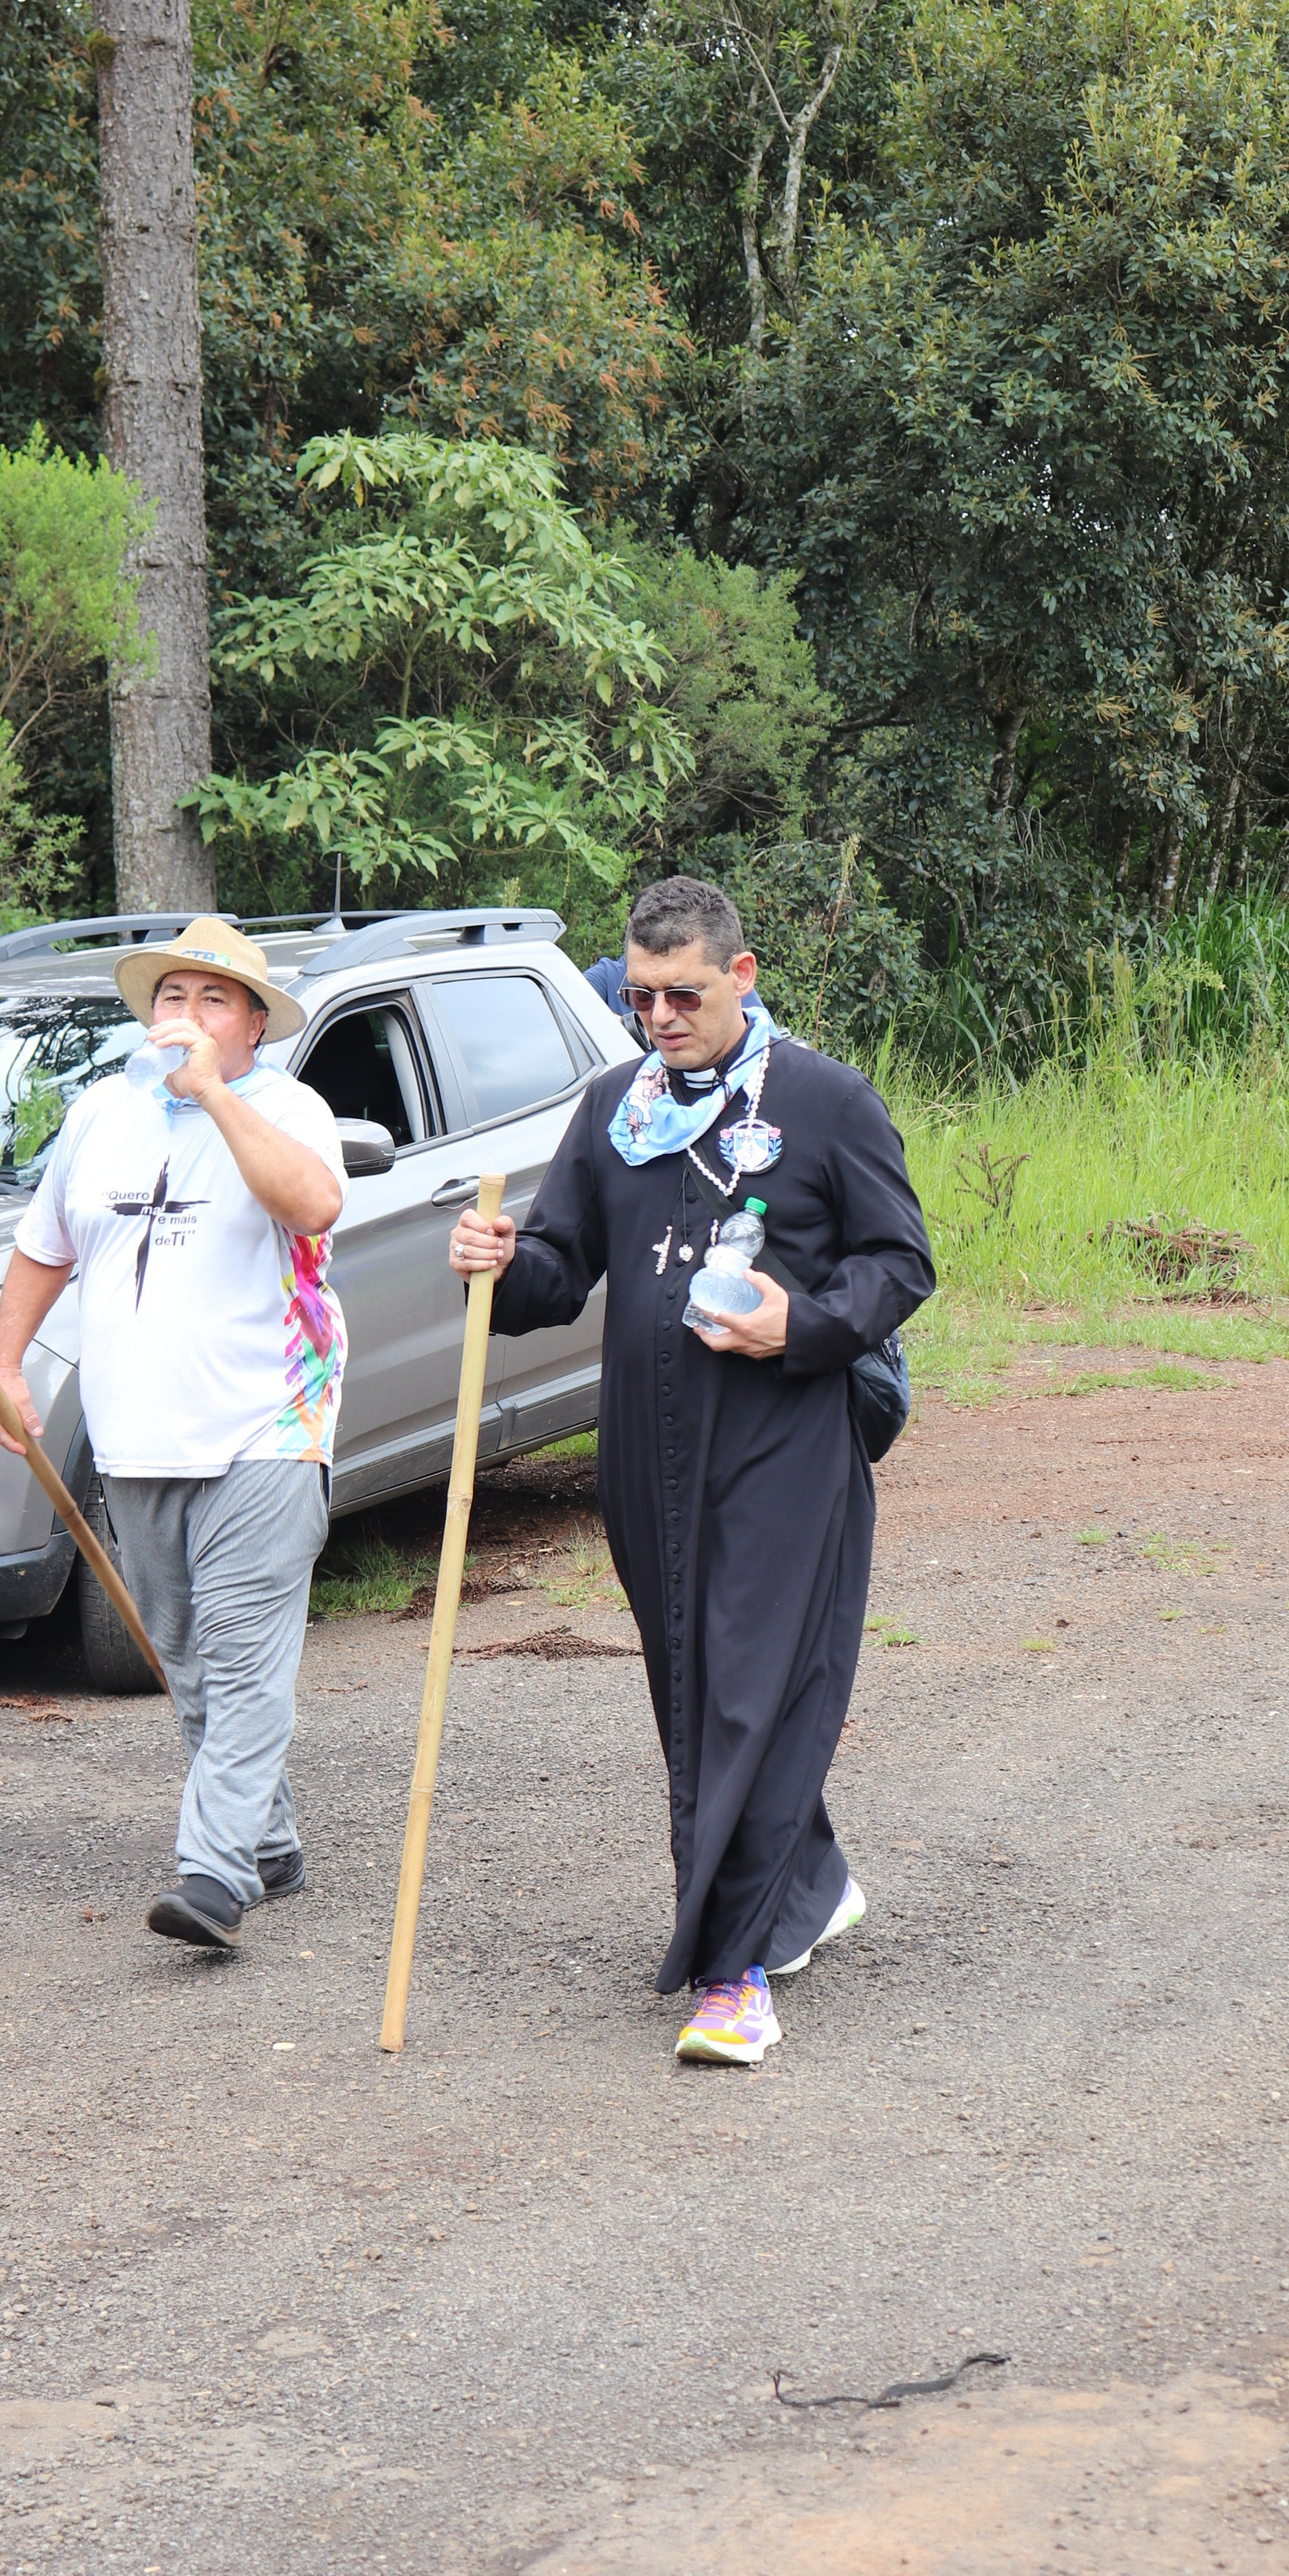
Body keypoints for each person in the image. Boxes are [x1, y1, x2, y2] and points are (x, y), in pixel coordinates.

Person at [451, 876, 935, 2068]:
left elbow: (900, 1262)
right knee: (694, 1692)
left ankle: (733, 1975)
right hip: (645, 1459)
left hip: (784, 1451)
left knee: (748, 1698)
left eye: (685, 995)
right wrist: (498, 1264)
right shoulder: (615, 1106)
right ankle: (806, 1880)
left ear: (744, 976)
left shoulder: (824, 1102)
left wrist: (802, 1326)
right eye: (642, 994)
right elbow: (561, 1268)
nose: (660, 1016)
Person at [0, 920, 347, 1950]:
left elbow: (314, 1205)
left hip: (267, 1432)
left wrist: (215, 1099)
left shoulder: (287, 1107)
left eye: (213, 1000)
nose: (185, 1016)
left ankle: (215, 1878)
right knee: (184, 1659)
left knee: (241, 1658)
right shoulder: (100, 1115)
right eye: (172, 996)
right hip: (135, 1444)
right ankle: (266, 1841)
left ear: (254, 1026)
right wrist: (6, 1367)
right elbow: (42, 1247)